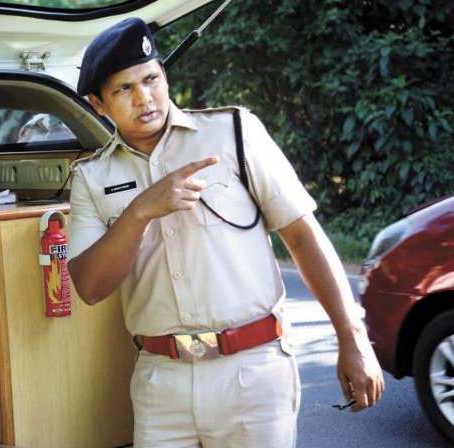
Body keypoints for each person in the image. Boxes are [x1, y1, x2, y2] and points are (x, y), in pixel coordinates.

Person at [67, 18, 384, 447]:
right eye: (124, 89)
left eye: (151, 79)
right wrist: (140, 211)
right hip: (161, 381)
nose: (144, 98)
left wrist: (352, 338)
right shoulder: (91, 176)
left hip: (252, 374)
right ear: (98, 103)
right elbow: (89, 285)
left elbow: (303, 235)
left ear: (165, 76)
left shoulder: (233, 131)